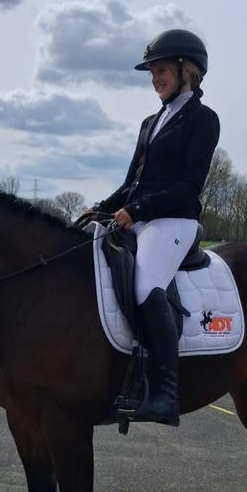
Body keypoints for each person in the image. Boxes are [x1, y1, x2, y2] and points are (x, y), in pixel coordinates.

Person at [92, 29, 220, 426]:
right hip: (142, 216)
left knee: (147, 285)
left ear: (188, 71)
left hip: (175, 220)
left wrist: (137, 208)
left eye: (161, 70)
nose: (155, 79)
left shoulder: (203, 119)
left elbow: (189, 186)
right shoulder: (151, 121)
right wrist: (102, 208)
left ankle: (165, 394)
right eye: (152, 73)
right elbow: (133, 181)